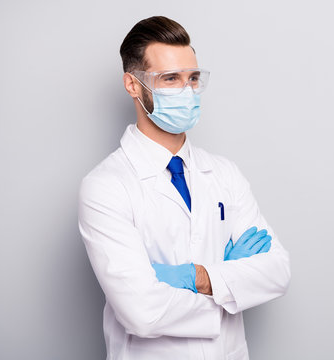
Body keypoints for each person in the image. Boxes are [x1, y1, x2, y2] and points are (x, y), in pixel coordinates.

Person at [77, 16, 290, 360]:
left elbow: (277, 272)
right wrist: (230, 285)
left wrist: (196, 277)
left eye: (192, 78)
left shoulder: (224, 173)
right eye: (170, 79)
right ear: (132, 85)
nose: (187, 91)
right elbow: (141, 314)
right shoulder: (105, 187)